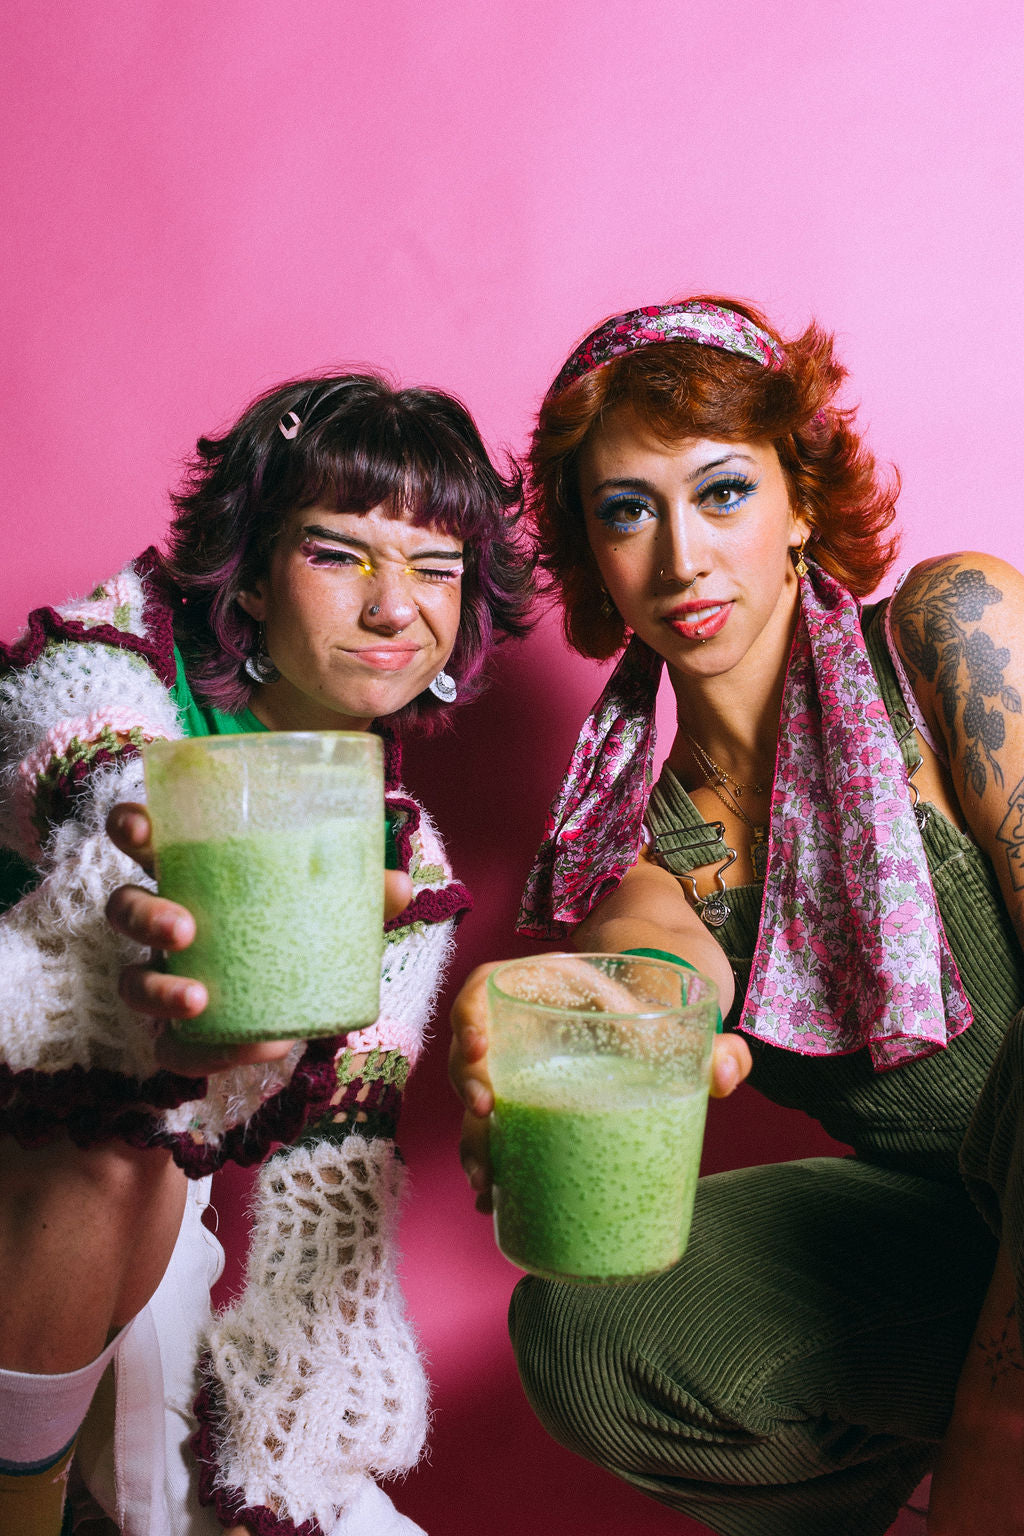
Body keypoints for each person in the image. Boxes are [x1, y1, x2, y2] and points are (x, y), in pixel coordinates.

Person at [449, 296, 1024, 1536]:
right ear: (594, 555)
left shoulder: (950, 634)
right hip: (959, 1250)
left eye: (720, 493)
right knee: (587, 1329)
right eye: (625, 511)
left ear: (801, 502)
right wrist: (567, 1030)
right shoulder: (648, 850)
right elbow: (651, 967)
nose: (680, 558)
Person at [0, 372, 531, 1536]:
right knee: (119, 1135)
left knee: (247, 1494)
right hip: (50, 1155)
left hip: (138, 1199)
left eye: (435, 570)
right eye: (338, 555)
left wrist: (288, 1448)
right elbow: (105, 789)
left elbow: (329, 1170)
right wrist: (169, 883)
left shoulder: (399, 857)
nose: (396, 607)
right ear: (247, 570)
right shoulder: (105, 664)